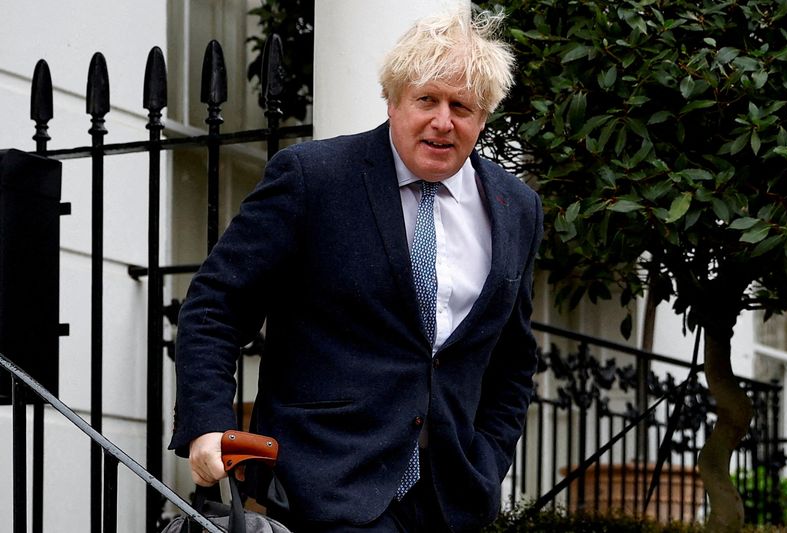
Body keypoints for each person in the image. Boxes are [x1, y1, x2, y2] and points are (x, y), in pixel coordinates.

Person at [169, 6, 543, 532]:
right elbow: (215, 306)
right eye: (426, 100)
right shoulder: (312, 178)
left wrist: (488, 460)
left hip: (449, 500)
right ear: (391, 102)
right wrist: (208, 423)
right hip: (324, 485)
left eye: (461, 105)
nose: (443, 120)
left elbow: (513, 358)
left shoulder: (516, 208)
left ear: (482, 117)